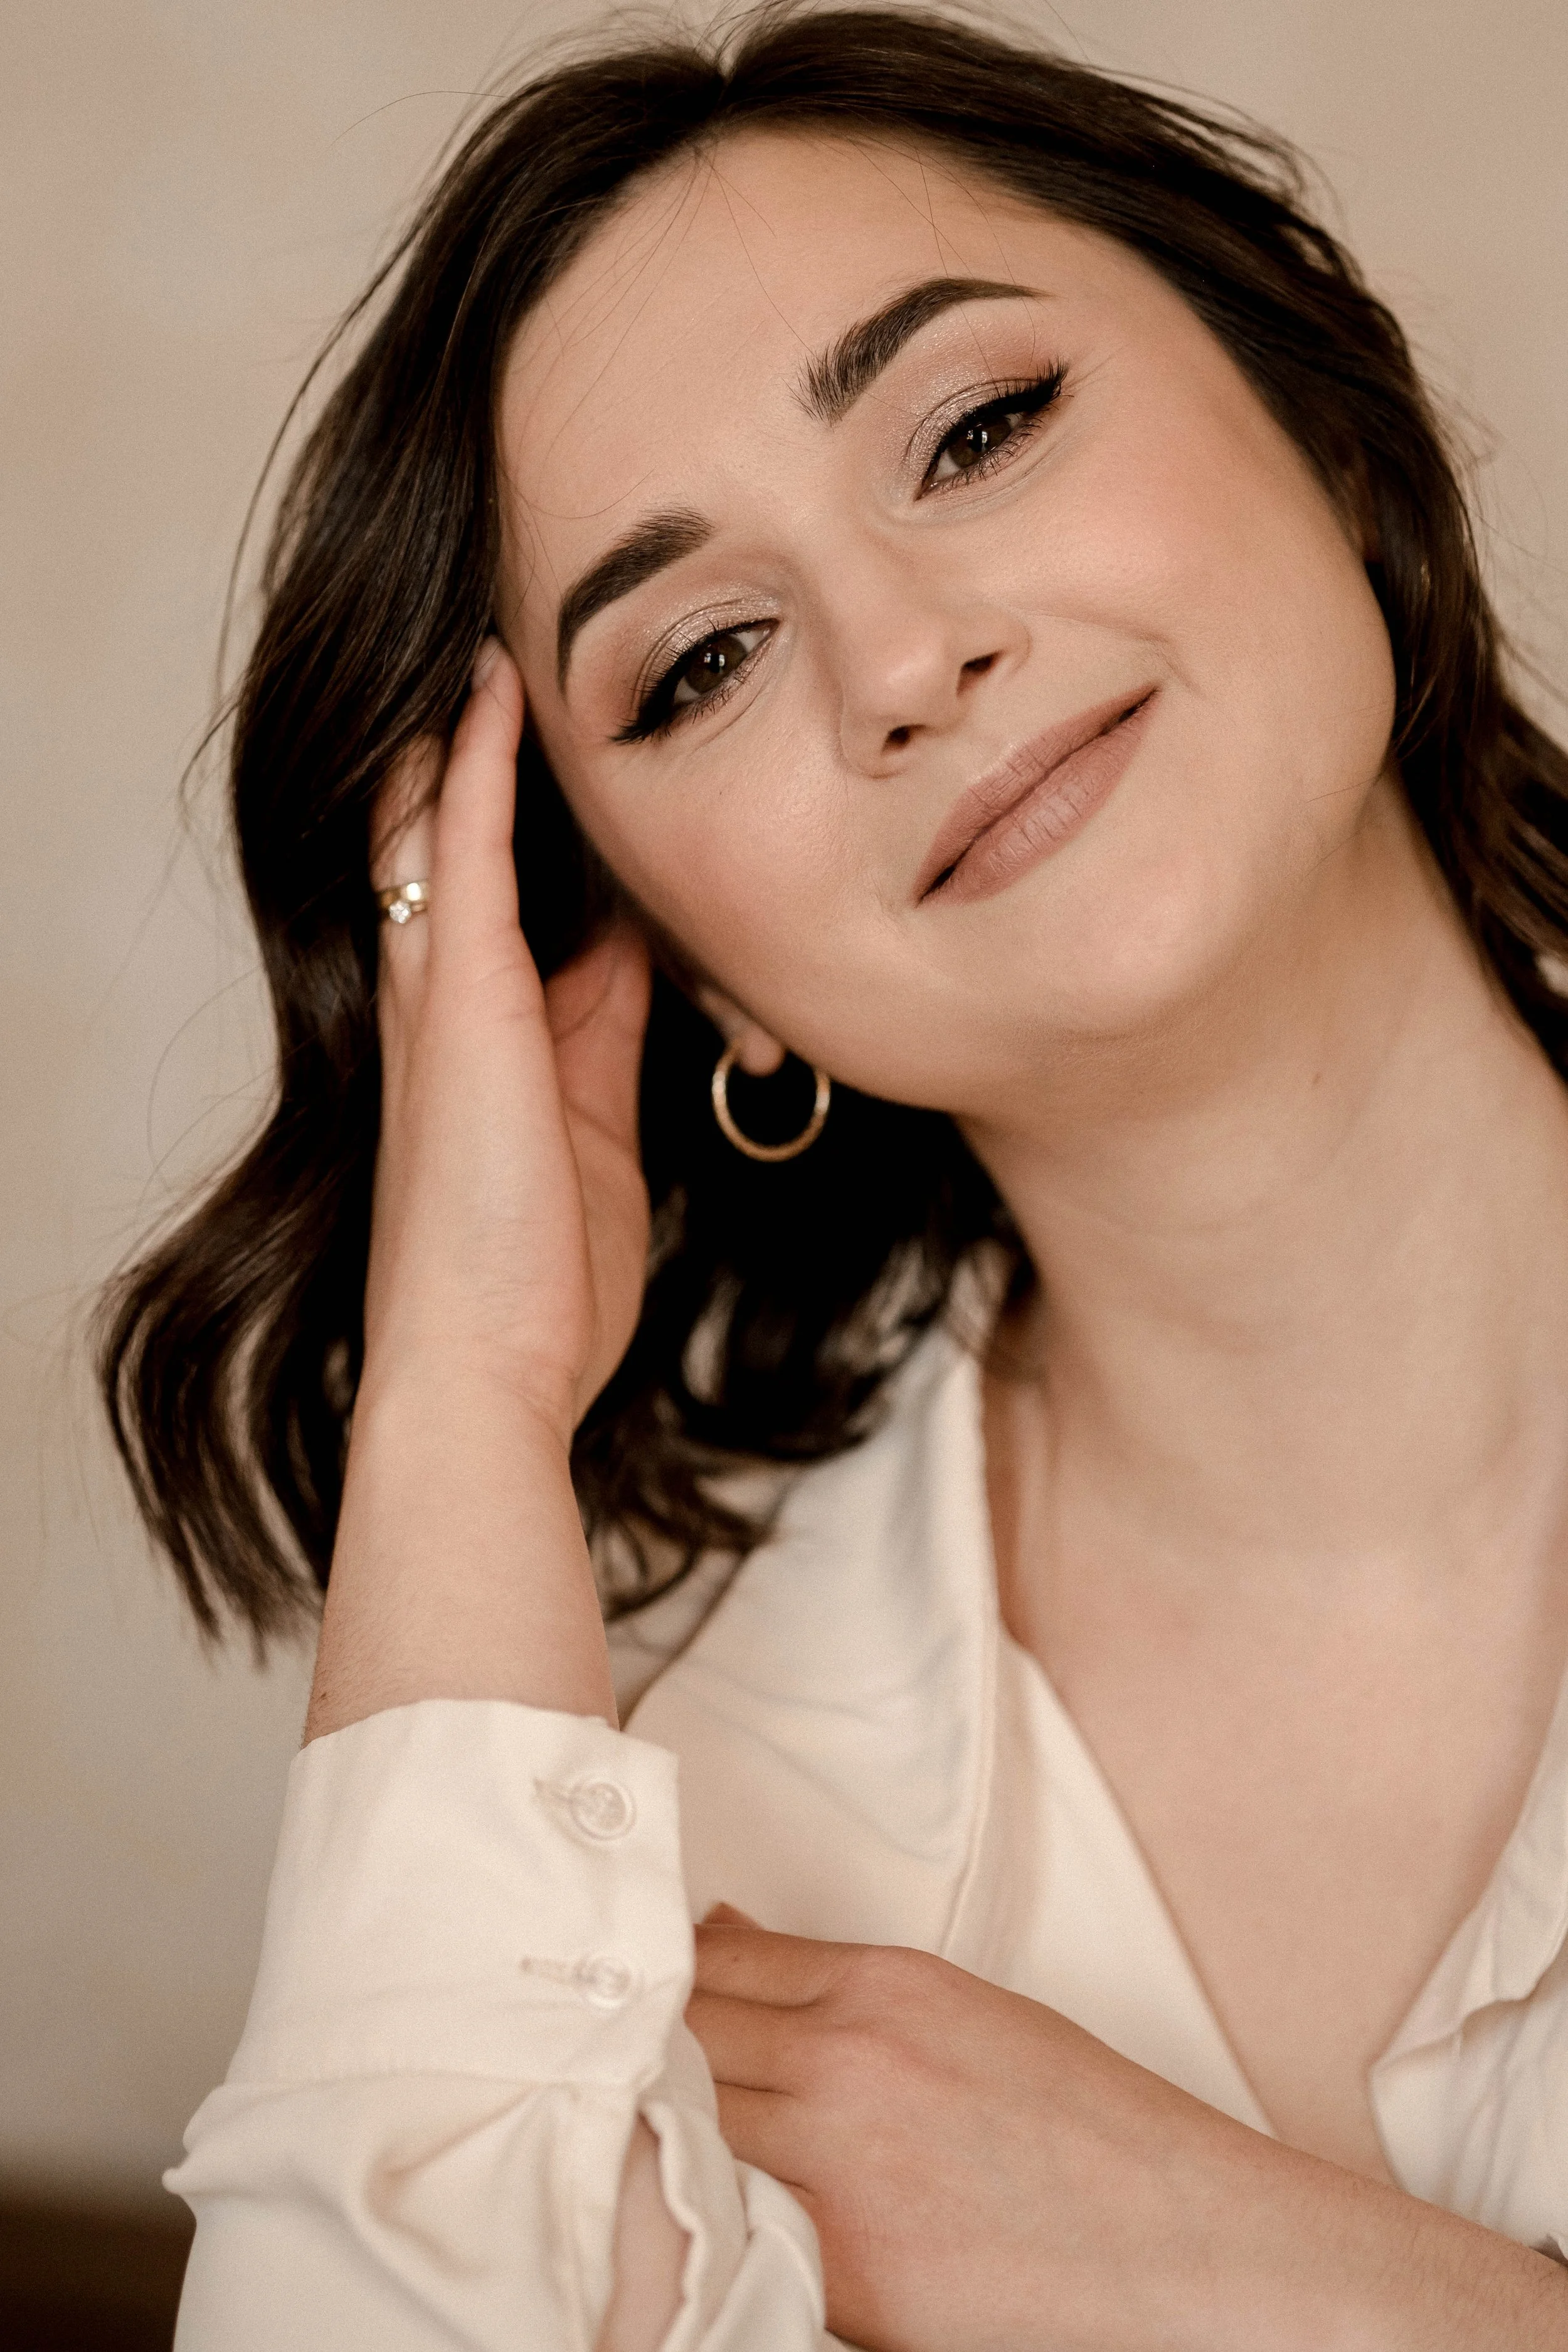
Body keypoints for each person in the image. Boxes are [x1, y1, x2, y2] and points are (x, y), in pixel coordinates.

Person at [100, 6, 1568, 2344]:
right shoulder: (654, 1848)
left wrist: (1323, 2289)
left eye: (974, 427)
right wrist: (461, 1409)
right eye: (698, 663)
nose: (899, 658)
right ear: (681, 965)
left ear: (1327, 428)